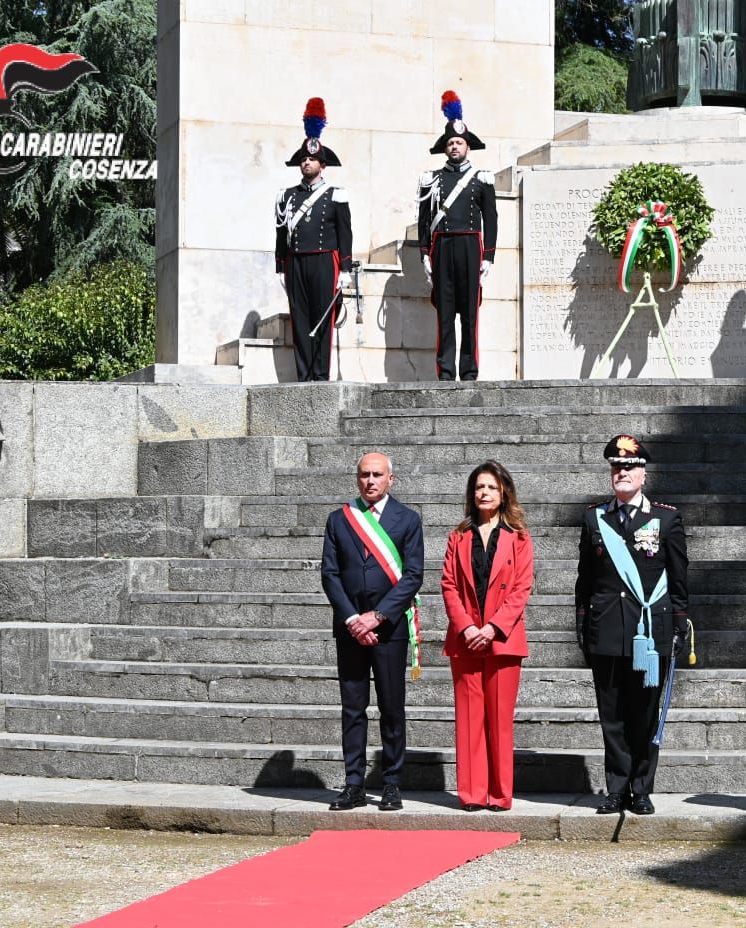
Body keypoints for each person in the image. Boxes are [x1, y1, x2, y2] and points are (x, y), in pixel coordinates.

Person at [575, 435, 689, 815]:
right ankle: (616, 788)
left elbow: (678, 577)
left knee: (644, 712)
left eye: (629, 467)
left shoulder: (665, 518)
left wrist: (679, 623)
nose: (621, 472)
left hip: (650, 633)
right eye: (616, 467)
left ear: (643, 474)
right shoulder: (595, 518)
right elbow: (585, 578)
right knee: (611, 715)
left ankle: (641, 788)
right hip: (606, 627)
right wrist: (582, 623)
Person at [320, 452, 424, 811]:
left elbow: (413, 575)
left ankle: (392, 783)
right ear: (357, 478)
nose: (370, 481)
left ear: (390, 479)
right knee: (353, 708)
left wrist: (377, 616)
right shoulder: (339, 520)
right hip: (350, 630)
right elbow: (330, 574)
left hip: (388, 629)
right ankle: (354, 784)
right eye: (364, 474)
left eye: (377, 475)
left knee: (391, 707)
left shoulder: (407, 519)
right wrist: (353, 619)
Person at [440, 460, 534, 811]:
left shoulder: (519, 538)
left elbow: (521, 588)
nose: (484, 492)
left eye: (492, 487)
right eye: (479, 487)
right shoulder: (458, 536)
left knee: (499, 720)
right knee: (469, 720)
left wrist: (493, 627)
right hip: (465, 638)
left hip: (503, 639)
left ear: (504, 493)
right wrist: (466, 626)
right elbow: (449, 585)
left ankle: (499, 794)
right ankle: (472, 793)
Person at [417, 90, 497, 382]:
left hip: (470, 247)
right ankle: (446, 372)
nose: (454, 146)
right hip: (442, 247)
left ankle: (469, 371)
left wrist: (488, 256)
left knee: (470, 315)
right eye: (450, 143)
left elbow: (491, 219)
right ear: (445, 147)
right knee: (445, 313)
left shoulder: (481, 179)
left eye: (459, 142)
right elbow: (424, 220)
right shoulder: (432, 180)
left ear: (467, 146)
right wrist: (424, 254)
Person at [275, 97, 353, 382]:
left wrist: (345, 268)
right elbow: (281, 233)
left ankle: (320, 376)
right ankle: (304, 376)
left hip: (324, 261)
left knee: (322, 319)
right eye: (303, 159)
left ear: (322, 164)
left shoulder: (336, 195)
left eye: (311, 159)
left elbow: (345, 233)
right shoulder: (287, 196)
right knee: (300, 320)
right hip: (296, 262)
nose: (306, 162)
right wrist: (280, 266)